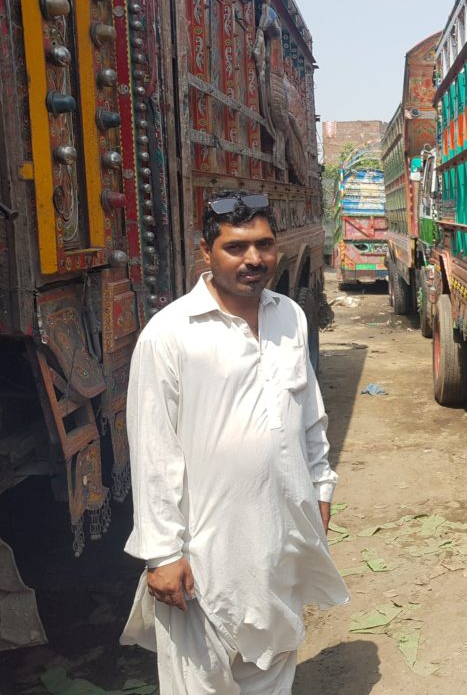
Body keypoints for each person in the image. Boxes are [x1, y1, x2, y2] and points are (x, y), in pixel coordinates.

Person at [120, 190, 348, 693]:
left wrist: (321, 488)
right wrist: (161, 554)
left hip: (278, 538)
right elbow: (153, 450)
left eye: (264, 245)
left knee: (274, 660)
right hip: (205, 548)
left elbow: (310, 415)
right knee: (201, 679)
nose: (254, 259)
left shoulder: (290, 315)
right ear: (206, 251)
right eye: (236, 247)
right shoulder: (171, 334)